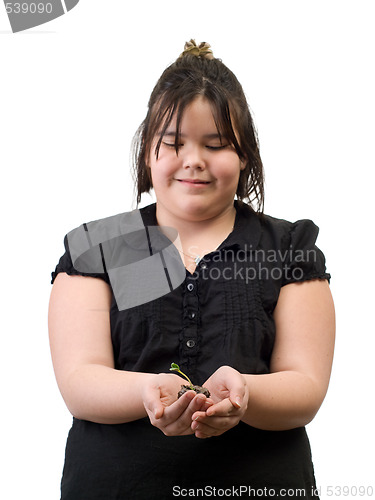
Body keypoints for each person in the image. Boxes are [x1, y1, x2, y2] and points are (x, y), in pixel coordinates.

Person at [49, 40, 335, 499]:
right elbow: (80, 380)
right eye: (174, 143)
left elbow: (305, 385)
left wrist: (245, 395)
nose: (194, 160)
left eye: (216, 144)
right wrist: (149, 392)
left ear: (244, 157)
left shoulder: (288, 248)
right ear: (148, 153)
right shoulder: (98, 248)